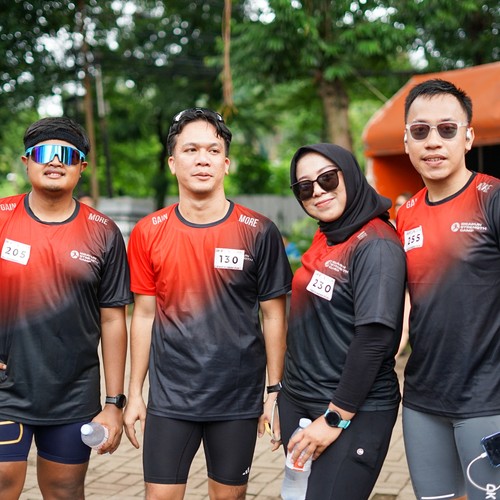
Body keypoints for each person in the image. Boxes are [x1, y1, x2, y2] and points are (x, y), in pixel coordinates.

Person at [124, 107, 292, 499]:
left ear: (226, 164)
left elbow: (274, 316)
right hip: (170, 399)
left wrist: (275, 391)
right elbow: (143, 315)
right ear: (172, 162)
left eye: (213, 151)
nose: (203, 159)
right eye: (191, 149)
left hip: (237, 399)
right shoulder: (148, 232)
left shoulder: (259, 231)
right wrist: (134, 394)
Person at [0, 117, 132, 499]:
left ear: (81, 167)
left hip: (73, 393)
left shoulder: (103, 232)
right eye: (45, 152)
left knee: (65, 490)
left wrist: (114, 403)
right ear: (27, 160)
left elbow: (113, 319)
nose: (55, 161)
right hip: (6, 388)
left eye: (67, 155)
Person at [280, 143, 406, 499]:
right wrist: (282, 396)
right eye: (305, 186)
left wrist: (335, 418)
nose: (318, 191)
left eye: (328, 179)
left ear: (349, 175)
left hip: (349, 409)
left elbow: (374, 340)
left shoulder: (376, 245)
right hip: (301, 399)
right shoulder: (327, 232)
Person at [397, 79, 500, 499]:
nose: (433, 141)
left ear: (468, 137)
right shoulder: (405, 214)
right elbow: (406, 299)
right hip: (422, 401)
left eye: (447, 128)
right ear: (406, 141)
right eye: (420, 130)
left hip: (488, 400)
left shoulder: (492, 198)